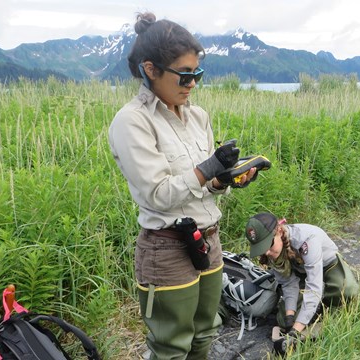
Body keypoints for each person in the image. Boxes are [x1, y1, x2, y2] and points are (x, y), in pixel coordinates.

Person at [108, 12, 257, 360]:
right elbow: (157, 194)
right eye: (185, 75)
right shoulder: (132, 121)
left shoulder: (198, 116)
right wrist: (208, 168)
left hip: (209, 238)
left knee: (206, 330)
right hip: (166, 248)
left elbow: (204, 186)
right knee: (171, 345)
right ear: (150, 69)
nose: (192, 84)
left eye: (198, 75)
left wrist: (223, 179)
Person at [244, 212, 359, 338]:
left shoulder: (307, 240)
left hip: (328, 266)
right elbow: (288, 283)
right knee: (282, 320)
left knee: (347, 290)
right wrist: (290, 316)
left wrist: (295, 332)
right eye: (262, 248)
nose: (267, 252)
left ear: (279, 232)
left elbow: (313, 288)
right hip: (302, 272)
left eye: (269, 245)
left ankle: (327, 306)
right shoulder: (272, 252)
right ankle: (314, 309)